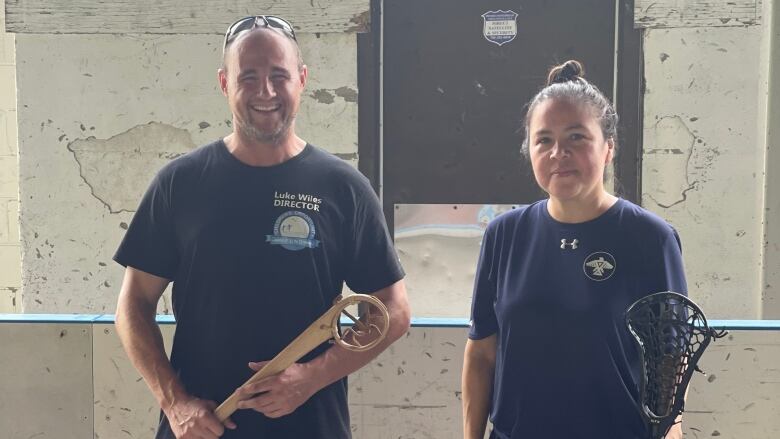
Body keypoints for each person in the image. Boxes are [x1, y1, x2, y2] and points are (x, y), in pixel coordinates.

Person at [114, 15, 410, 439]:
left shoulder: (344, 188)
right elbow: (132, 306)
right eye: (248, 77)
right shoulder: (180, 184)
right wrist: (174, 401)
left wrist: (311, 377)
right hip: (202, 428)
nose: (265, 92)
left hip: (312, 428)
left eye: (279, 75)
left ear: (302, 79)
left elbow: (394, 310)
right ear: (223, 83)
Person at [461, 60, 687, 439]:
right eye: (544, 139)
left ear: (608, 148)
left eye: (577, 137)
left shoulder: (651, 238)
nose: (558, 153)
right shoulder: (504, 234)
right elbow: (482, 354)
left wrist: (671, 431)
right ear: (529, 150)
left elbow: (671, 361)